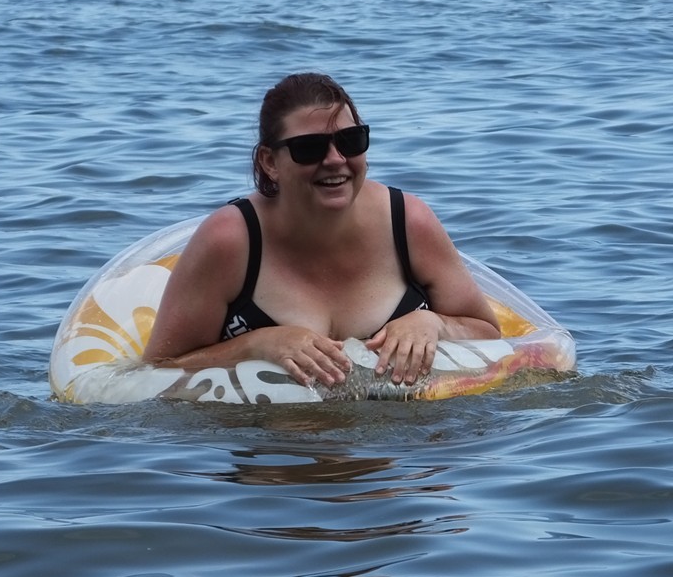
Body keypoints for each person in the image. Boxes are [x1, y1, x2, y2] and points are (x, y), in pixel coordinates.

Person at [143, 72, 500, 387]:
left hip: (400, 440)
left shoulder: (408, 222)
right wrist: (255, 344)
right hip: (269, 439)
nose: (335, 159)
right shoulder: (229, 241)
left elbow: (490, 333)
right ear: (269, 162)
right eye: (309, 148)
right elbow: (155, 368)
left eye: (351, 140)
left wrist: (433, 323)